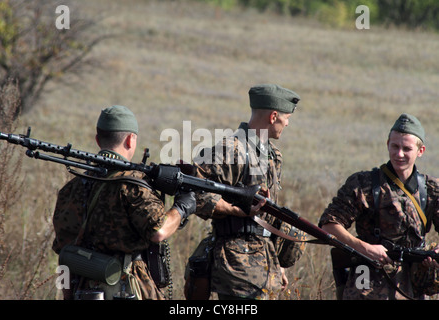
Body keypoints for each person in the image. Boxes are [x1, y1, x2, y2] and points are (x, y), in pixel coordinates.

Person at [52, 105, 196, 300]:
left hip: (83, 290)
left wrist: (68, 297)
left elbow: (64, 257)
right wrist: (182, 207)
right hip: (127, 287)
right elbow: (159, 230)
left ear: (98, 140)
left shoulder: (71, 189)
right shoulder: (132, 185)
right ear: (130, 140)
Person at [191, 84, 306, 300]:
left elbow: (269, 212)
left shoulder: (273, 155)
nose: (288, 123)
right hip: (237, 265)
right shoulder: (228, 150)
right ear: (273, 116)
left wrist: (278, 264)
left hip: (265, 260)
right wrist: (236, 210)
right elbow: (195, 194)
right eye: (287, 118)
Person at [319, 113, 439, 300]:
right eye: (395, 146)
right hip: (364, 281)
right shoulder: (363, 183)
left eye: (406, 149)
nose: (399, 154)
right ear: (387, 144)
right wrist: (364, 247)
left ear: (421, 151)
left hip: (411, 285)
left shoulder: (432, 190)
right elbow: (328, 224)